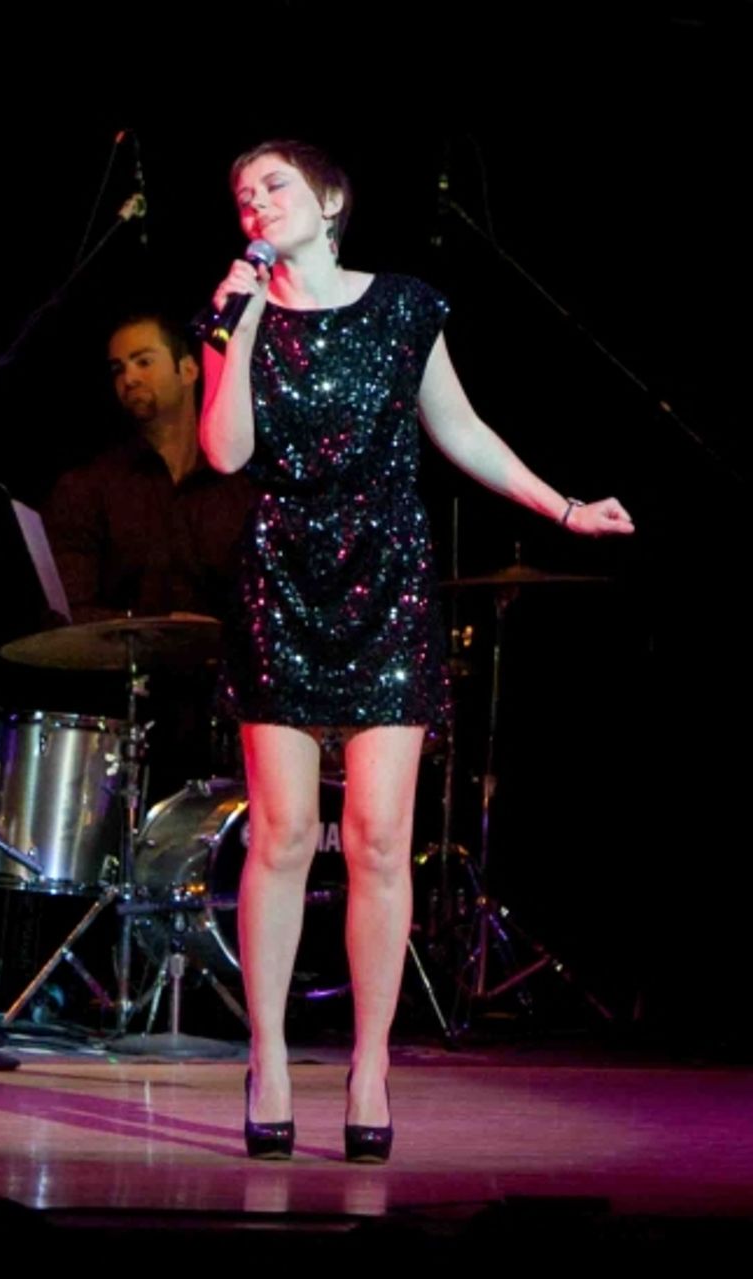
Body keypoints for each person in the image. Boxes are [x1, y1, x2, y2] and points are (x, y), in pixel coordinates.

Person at [196, 139, 634, 1161]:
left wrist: (561, 509)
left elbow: (459, 427)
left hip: (385, 577)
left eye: (274, 185)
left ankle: (369, 1061)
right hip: (280, 575)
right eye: (242, 194)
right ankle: (264, 1055)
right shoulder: (233, 314)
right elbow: (223, 451)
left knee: (380, 839)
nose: (255, 202)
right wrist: (238, 321)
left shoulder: (400, 305)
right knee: (280, 833)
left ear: (329, 198)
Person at [43, 313, 257, 625]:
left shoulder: (244, 483)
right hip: (126, 669)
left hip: (228, 670)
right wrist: (160, 628)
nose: (128, 379)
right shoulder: (88, 488)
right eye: (118, 369)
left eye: (143, 362)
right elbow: (66, 612)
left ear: (187, 370)